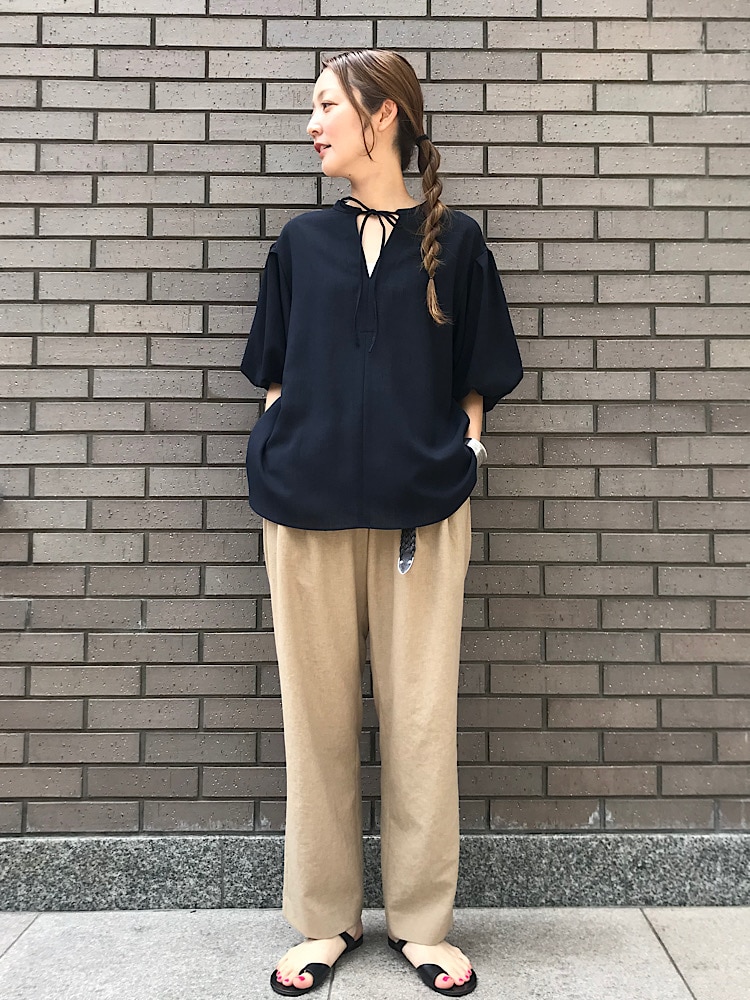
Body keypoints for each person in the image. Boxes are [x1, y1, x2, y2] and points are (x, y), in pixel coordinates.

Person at [240, 49, 523, 998]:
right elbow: (274, 369)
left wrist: (466, 452)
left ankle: (422, 924)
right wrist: (276, 444)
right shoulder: (300, 244)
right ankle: (324, 920)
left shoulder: (459, 242)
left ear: (384, 115)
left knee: (420, 720)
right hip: (304, 510)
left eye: (326, 105)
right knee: (314, 721)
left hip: (423, 513)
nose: (312, 123)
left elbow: (481, 372)